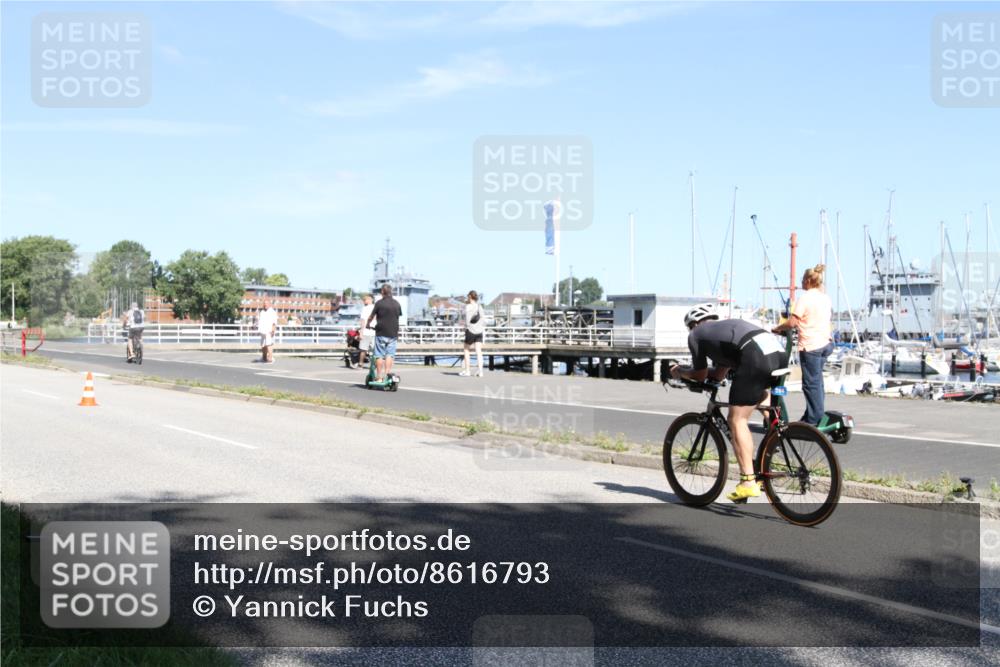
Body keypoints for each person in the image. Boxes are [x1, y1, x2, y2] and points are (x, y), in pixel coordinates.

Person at [670, 303, 788, 501]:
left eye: (690, 326)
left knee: (736, 420)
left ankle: (748, 482)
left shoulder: (696, 334)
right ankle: (776, 434)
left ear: (695, 323)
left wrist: (679, 371)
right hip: (777, 352)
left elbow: (699, 375)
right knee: (758, 395)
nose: (691, 331)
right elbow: (717, 374)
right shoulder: (723, 332)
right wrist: (712, 379)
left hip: (754, 355)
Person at [773, 264, 833, 425]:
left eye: (802, 279)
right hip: (825, 343)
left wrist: (777, 328)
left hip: (811, 345)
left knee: (810, 384)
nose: (801, 282)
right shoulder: (825, 297)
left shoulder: (805, 298)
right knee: (817, 381)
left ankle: (814, 419)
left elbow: (792, 322)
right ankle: (812, 413)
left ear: (808, 281)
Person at [366, 284, 402, 382]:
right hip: (393, 333)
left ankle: (379, 377)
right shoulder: (397, 304)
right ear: (391, 292)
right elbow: (397, 317)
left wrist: (368, 324)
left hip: (381, 332)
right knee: (390, 355)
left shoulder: (379, 303)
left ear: (382, 291)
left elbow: (371, 316)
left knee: (379, 355)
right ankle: (387, 375)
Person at [460, 290, 486, 377]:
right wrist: (480, 327)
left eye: (468, 296)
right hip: (479, 331)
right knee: (479, 351)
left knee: (466, 349)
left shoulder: (468, 306)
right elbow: (483, 319)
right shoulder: (479, 306)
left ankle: (467, 371)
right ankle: (481, 371)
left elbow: (467, 321)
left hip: (470, 331)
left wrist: (466, 328)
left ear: (470, 296)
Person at [358, 294, 376, 369]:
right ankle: (374, 365)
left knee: (363, 349)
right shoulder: (377, 308)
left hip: (366, 331)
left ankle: (360, 364)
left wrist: (361, 332)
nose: (364, 301)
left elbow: (362, 321)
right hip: (375, 331)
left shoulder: (364, 309)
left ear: (370, 299)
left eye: (365, 300)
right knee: (375, 351)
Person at [257, 299, 278, 363]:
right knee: (263, 345)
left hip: (269, 331)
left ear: (269, 304)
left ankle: (271, 358)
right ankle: (264, 358)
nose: (265, 305)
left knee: (269, 344)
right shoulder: (262, 311)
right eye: (264, 304)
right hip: (262, 331)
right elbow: (260, 321)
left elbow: (274, 322)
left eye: (266, 304)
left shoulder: (272, 312)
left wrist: (273, 330)